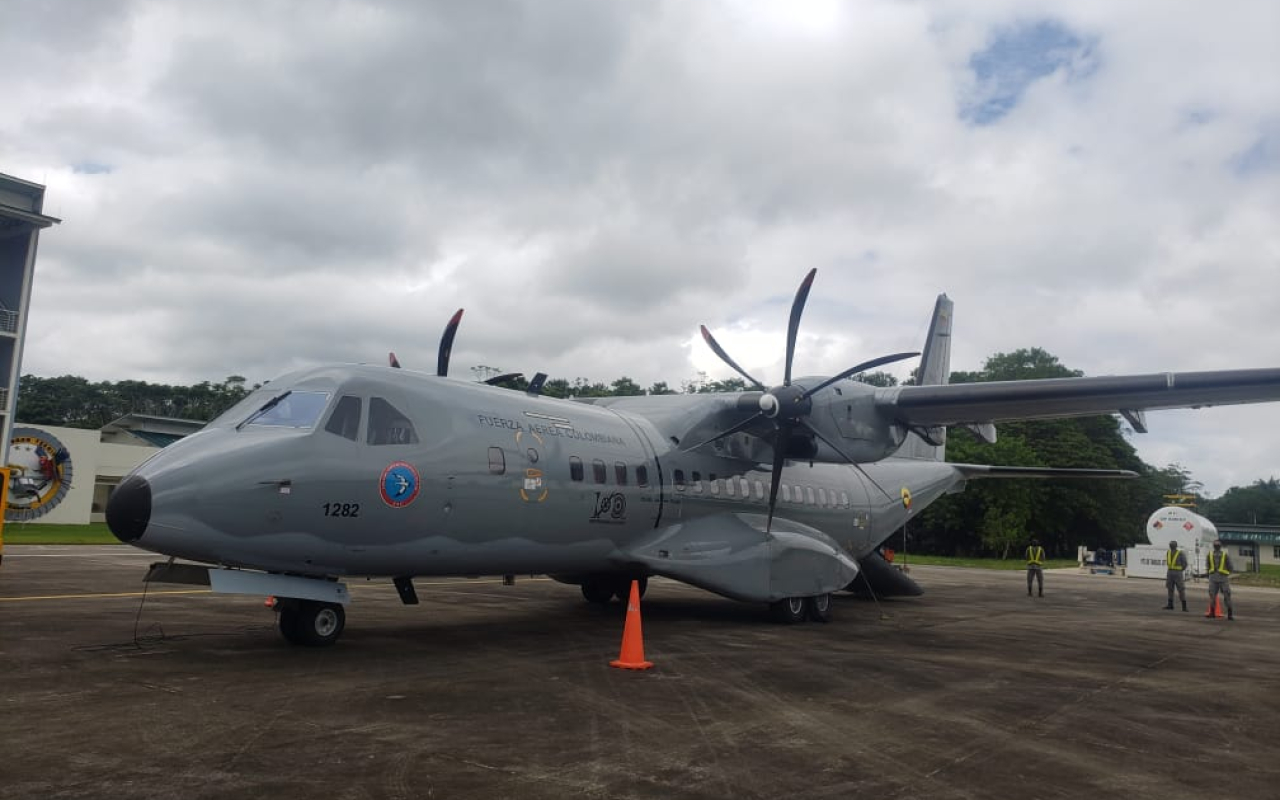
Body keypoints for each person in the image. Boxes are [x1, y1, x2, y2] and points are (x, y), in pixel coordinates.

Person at [1205, 540, 1234, 620]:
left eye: (1217, 545)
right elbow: (1207, 565)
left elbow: (1230, 566)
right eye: (1216, 545)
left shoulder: (1225, 555)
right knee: (1212, 596)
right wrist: (1209, 573)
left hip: (1222, 578)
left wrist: (1227, 573)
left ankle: (1230, 614)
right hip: (1214, 578)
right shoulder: (1210, 554)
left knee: (1226, 595)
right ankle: (1212, 613)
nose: (1216, 546)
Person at [1163, 540, 1188, 612]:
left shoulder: (1180, 553)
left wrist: (1180, 570)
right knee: (1170, 589)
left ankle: (1184, 606)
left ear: (1176, 545)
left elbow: (1185, 564)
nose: (1171, 545)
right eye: (1170, 544)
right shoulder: (1168, 552)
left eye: (1172, 544)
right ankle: (1170, 605)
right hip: (1170, 572)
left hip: (1178, 573)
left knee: (1181, 589)